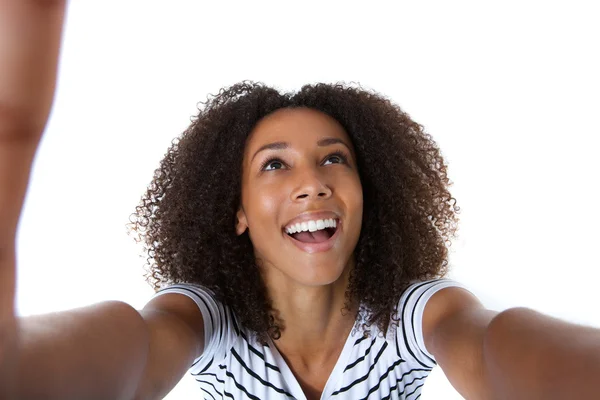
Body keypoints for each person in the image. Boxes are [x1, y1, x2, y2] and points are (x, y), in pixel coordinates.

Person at [1, 2, 599, 400]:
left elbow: (494, 347)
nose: (312, 182)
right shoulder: (205, 322)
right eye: (274, 164)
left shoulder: (414, 316)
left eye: (334, 158)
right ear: (235, 211)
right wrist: (23, 369)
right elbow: (131, 348)